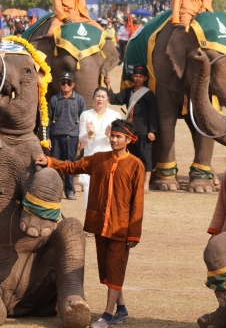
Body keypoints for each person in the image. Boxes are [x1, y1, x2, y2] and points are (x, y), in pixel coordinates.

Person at [35, 119, 144, 328]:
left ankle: (108, 315)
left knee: (115, 268)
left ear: (129, 140)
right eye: (112, 135)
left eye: (119, 136)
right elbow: (73, 167)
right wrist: (49, 162)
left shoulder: (136, 165)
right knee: (108, 270)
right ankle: (121, 309)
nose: (113, 139)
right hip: (100, 224)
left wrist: (134, 234)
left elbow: (137, 203)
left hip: (121, 228)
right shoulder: (99, 159)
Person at [105, 66, 157, 190]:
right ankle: (131, 181)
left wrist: (152, 130)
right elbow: (114, 99)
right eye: (135, 76)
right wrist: (108, 86)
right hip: (129, 131)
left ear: (144, 78)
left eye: (140, 77)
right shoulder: (127, 92)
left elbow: (152, 113)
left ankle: (145, 184)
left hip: (143, 131)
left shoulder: (148, 94)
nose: (138, 79)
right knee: (130, 157)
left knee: (145, 157)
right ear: (132, 77)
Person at [78, 87, 122, 205]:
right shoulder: (85, 115)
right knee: (90, 190)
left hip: (108, 156)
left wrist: (109, 135)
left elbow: (120, 140)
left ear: (107, 99)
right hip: (91, 155)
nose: (100, 99)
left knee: (107, 189)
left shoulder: (115, 115)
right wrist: (90, 133)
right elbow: (81, 138)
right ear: (93, 98)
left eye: (103, 97)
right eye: (98, 96)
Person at [48, 71, 87, 200]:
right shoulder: (54, 99)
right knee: (54, 164)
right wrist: (47, 137)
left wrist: (82, 138)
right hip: (55, 136)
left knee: (70, 165)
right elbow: (47, 120)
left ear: (73, 84)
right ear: (60, 84)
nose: (66, 85)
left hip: (72, 137)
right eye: (63, 82)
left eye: (68, 83)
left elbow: (83, 120)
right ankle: (55, 191)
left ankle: (70, 190)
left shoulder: (79, 100)